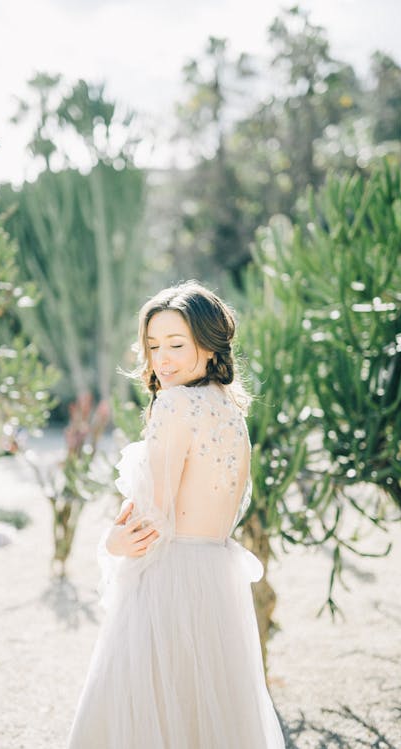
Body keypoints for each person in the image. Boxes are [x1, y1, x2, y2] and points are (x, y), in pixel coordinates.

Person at [67, 280, 286, 748]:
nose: (160, 359)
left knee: (151, 719)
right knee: (206, 719)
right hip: (215, 578)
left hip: (168, 580)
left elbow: (153, 519)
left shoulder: (174, 404)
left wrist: (111, 543)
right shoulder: (231, 410)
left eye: (175, 344)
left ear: (208, 347)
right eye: (152, 346)